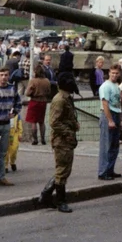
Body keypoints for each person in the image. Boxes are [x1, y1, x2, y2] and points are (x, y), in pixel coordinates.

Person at [41, 74, 80, 213]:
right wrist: (68, 132)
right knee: (62, 170)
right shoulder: (60, 100)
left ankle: (46, 195)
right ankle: (60, 200)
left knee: (64, 170)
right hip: (62, 140)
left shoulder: (66, 98)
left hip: (66, 139)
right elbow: (54, 122)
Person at [98, 64, 122, 180]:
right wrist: (110, 120)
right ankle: (103, 172)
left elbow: (119, 103)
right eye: (112, 73)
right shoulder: (105, 86)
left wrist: (120, 120)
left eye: (116, 73)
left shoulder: (116, 85)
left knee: (114, 145)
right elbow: (105, 103)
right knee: (106, 146)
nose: (114, 75)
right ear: (109, 73)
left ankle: (110, 169)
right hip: (108, 115)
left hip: (116, 114)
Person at [25, 66, 52, 145]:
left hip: (34, 101)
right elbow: (49, 91)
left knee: (33, 122)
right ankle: (43, 139)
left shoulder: (33, 81)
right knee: (41, 121)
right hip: (43, 102)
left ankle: (35, 139)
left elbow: (27, 93)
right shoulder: (47, 81)